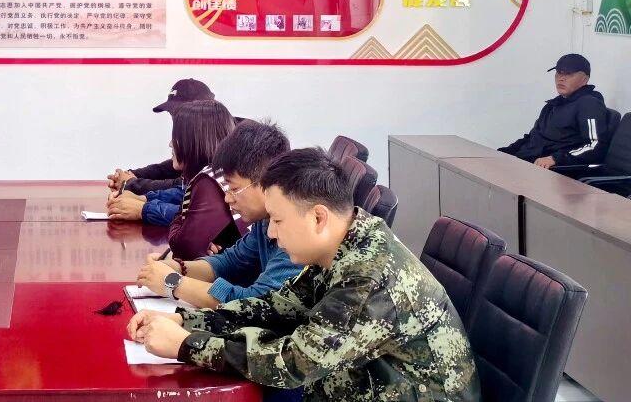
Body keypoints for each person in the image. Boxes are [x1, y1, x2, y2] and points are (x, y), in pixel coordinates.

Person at [127, 148, 480, 402]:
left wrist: (186, 345)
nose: (271, 233)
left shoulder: (369, 278)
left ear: (318, 217)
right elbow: (275, 308)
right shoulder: (344, 241)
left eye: (278, 221)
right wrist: (185, 319)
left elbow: (293, 363)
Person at [134, 119, 302, 309]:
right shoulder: (264, 221)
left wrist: (173, 283)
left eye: (234, 189)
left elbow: (255, 303)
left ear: (267, 182)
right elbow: (230, 262)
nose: (227, 198)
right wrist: (177, 267)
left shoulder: (296, 232)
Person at [111, 100, 240, 259]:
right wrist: (144, 198)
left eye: (177, 137)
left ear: (194, 141)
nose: (170, 144)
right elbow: (182, 194)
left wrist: (146, 209)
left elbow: (182, 245)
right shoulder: (216, 174)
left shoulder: (210, 182)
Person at [499, 53, 611, 171]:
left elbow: (596, 146)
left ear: (585, 79)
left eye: (569, 74)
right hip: (527, 163)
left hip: (553, 171)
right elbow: (533, 137)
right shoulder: (552, 105)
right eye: (559, 73)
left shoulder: (589, 104)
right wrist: (506, 152)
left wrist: (555, 159)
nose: (561, 78)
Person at [107, 78, 216, 195]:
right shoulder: (206, 144)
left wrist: (131, 183)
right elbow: (172, 167)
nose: (175, 119)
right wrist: (132, 175)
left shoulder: (224, 152)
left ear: (201, 111)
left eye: (177, 112)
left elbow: (183, 188)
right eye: (171, 113)